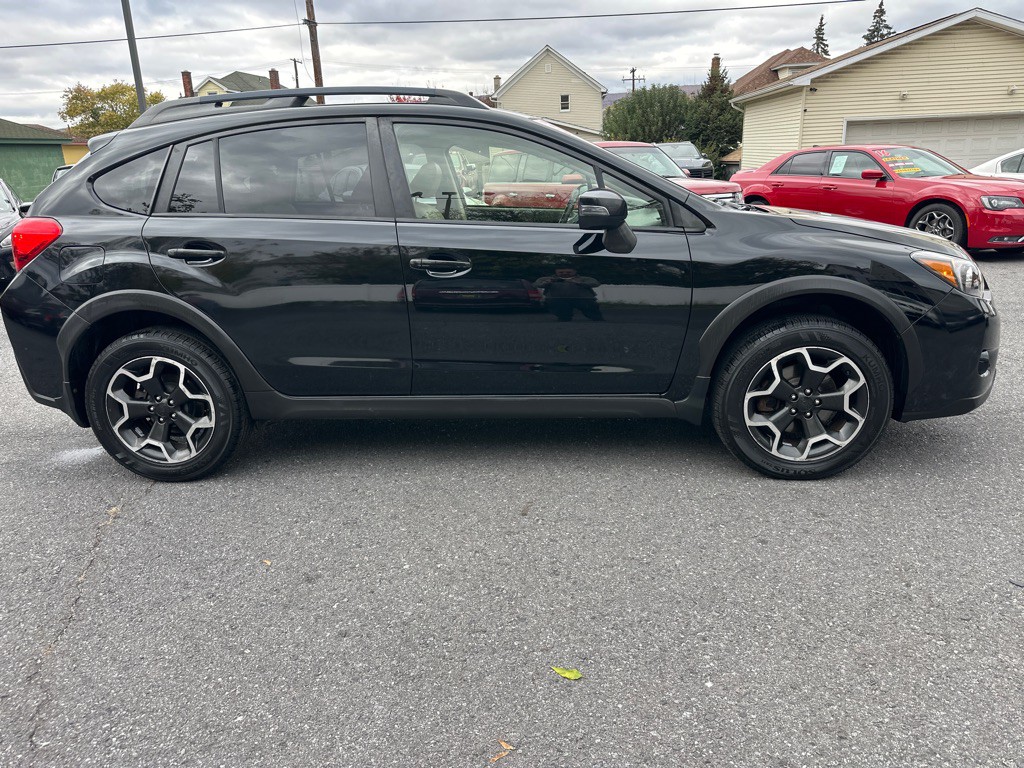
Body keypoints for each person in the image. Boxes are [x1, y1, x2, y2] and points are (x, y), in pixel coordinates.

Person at [534, 265, 603, 321]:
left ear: (575, 271)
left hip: (583, 299)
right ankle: (564, 318)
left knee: (593, 313)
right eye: (561, 272)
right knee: (562, 315)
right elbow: (536, 285)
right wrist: (545, 283)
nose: (565, 274)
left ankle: (597, 319)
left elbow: (596, 283)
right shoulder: (547, 279)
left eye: (568, 272)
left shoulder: (584, 278)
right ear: (556, 272)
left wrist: (580, 283)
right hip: (557, 299)